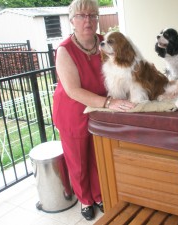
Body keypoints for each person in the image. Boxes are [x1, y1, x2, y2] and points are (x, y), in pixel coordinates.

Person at [52, 0, 135, 220]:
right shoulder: (65, 50)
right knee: (78, 160)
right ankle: (85, 200)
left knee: (98, 155)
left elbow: (123, 66)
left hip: (99, 108)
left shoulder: (105, 42)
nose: (88, 20)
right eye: (81, 15)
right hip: (73, 110)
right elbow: (73, 90)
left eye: (92, 15)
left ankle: (98, 195)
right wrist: (108, 103)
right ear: (72, 20)